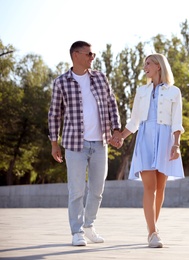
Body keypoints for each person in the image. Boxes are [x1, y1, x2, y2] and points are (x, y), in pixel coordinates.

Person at [48, 41, 123, 246]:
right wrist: (54, 143)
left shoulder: (100, 78)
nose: (93, 57)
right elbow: (55, 115)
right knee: (77, 190)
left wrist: (116, 130)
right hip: (74, 143)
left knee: (97, 189)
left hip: (100, 142)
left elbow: (111, 104)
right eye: (89, 53)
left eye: (93, 54)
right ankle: (76, 231)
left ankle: (89, 225)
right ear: (76, 55)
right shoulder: (61, 82)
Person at [120, 53, 185, 248]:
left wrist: (176, 144)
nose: (145, 67)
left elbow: (177, 121)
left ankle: (152, 229)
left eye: (148, 63)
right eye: (144, 64)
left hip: (166, 139)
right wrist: (120, 137)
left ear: (158, 66)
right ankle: (153, 232)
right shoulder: (141, 91)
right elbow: (134, 121)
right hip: (146, 138)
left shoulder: (174, 92)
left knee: (160, 187)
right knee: (149, 187)